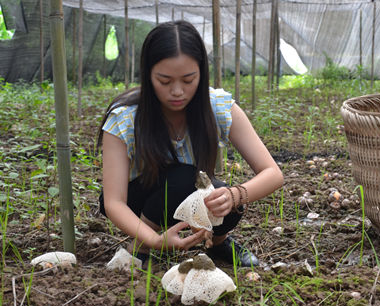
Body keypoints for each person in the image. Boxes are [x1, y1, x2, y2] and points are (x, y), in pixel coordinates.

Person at [97, 20, 283, 267]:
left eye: (188, 80)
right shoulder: (125, 118)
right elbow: (113, 202)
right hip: (137, 201)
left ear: (201, 72)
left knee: (222, 198)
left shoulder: (217, 107)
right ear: (148, 74)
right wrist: (153, 239)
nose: (177, 91)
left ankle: (218, 243)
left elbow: (273, 174)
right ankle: (140, 247)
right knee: (182, 177)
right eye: (164, 81)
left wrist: (234, 195)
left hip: (186, 196)